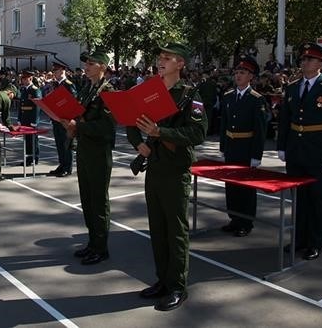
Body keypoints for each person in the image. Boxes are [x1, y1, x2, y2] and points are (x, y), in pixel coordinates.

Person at [126, 42, 207, 311]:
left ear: (180, 64)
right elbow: (132, 120)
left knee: (175, 231)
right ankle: (163, 280)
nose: (160, 60)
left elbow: (197, 134)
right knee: (157, 229)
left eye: (167, 57)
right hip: (156, 168)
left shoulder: (190, 95)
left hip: (175, 171)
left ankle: (177, 287)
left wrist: (162, 133)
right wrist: (138, 142)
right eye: (160, 56)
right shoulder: (150, 91)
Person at [277, 42, 322, 261]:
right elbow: (285, 119)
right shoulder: (292, 86)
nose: (304, 62)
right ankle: (300, 238)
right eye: (303, 59)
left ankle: (315, 242)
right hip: (296, 150)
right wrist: (282, 146)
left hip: (318, 152)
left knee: (318, 198)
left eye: (309, 59)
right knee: (299, 198)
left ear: (319, 63)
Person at [62, 50, 116, 265]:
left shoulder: (109, 92)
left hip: (98, 151)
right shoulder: (87, 88)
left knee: (98, 200)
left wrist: (79, 126)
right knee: (87, 198)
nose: (86, 66)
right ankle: (92, 242)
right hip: (84, 149)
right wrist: (70, 124)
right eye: (86, 63)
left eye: (91, 63)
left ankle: (101, 247)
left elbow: (106, 127)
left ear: (102, 67)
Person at [218, 55, 268, 237]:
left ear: (251, 77)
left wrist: (256, 155)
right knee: (231, 186)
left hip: (246, 148)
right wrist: (223, 147)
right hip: (231, 146)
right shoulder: (228, 96)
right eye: (237, 72)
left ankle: (246, 222)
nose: (238, 76)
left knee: (246, 188)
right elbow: (224, 124)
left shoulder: (256, 99)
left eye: (243, 73)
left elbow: (260, 130)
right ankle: (234, 218)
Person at [49, 62, 77, 177]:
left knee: (66, 144)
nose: (54, 73)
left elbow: (73, 102)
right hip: (57, 119)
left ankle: (67, 167)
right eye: (54, 71)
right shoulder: (56, 85)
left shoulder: (68, 85)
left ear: (62, 71)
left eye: (56, 71)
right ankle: (62, 164)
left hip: (65, 120)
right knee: (59, 144)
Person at [18, 70, 42, 166]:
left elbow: (37, 106)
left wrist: (35, 120)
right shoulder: (23, 90)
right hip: (24, 118)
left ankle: (35, 157)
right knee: (27, 139)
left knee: (33, 139)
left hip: (31, 118)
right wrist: (19, 118)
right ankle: (28, 158)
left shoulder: (35, 90)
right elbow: (21, 105)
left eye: (25, 78)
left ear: (30, 78)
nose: (23, 80)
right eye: (22, 79)